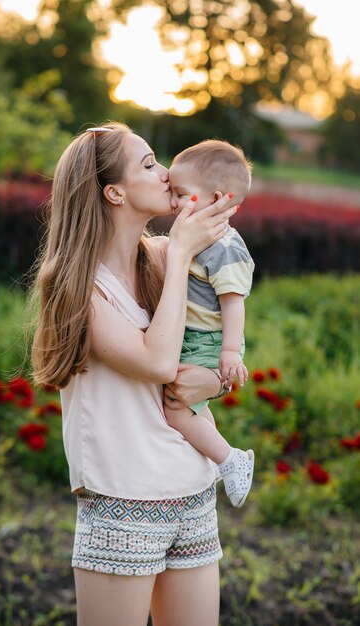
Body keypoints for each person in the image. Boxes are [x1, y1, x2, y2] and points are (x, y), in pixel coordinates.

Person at [30, 121, 238, 626]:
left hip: (191, 492)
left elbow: (221, 341)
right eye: (149, 164)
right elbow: (158, 362)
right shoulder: (75, 285)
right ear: (114, 192)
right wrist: (185, 249)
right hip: (124, 501)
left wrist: (218, 380)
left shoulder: (165, 258)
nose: (167, 174)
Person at [163, 139, 255, 509]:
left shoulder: (225, 247)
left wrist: (230, 351)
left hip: (211, 342)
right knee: (185, 404)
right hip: (194, 337)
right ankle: (216, 457)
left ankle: (230, 459)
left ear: (217, 199)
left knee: (175, 407)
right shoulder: (198, 240)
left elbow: (234, 303)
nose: (174, 202)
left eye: (182, 194)